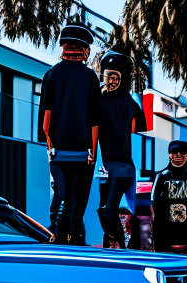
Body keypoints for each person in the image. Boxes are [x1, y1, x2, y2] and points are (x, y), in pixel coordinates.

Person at [39, 23, 101, 245]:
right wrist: (93, 151)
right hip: (83, 151)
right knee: (77, 197)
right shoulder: (91, 78)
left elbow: (46, 118)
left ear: (63, 47)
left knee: (59, 193)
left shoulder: (52, 74)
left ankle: (56, 234)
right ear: (83, 50)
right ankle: (75, 237)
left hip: (58, 149)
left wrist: (49, 146)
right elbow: (95, 121)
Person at [96, 45, 147, 249]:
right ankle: (116, 242)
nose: (111, 80)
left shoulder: (130, 100)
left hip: (123, 166)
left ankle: (126, 246)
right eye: (109, 76)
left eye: (115, 77)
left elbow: (138, 127)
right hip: (104, 166)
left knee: (110, 211)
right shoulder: (99, 99)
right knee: (104, 210)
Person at [150, 140, 187, 256]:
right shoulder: (161, 177)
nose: (178, 156)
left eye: (182, 153)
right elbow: (153, 206)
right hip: (164, 232)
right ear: (169, 155)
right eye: (174, 152)